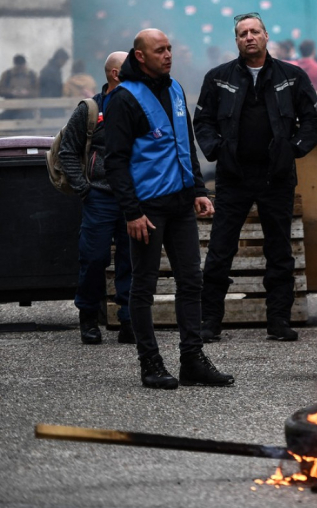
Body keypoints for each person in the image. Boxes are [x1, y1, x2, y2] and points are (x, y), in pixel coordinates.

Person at [105, 28, 233, 390]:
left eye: (170, 48)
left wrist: (197, 189)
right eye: (159, 50)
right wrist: (131, 212)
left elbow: (185, 145)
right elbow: (115, 162)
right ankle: (150, 362)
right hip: (147, 209)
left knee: (191, 282)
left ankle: (192, 359)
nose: (168, 55)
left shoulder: (175, 89)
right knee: (143, 286)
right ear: (140, 56)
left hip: (179, 205)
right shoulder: (124, 99)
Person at [193, 13, 317, 343]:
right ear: (235, 41)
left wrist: (293, 149)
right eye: (242, 34)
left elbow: (314, 119)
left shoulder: (292, 77)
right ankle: (209, 321)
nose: (249, 37)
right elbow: (203, 122)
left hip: (276, 177)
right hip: (233, 178)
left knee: (279, 250)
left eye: (254, 31)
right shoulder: (218, 78)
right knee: (220, 250)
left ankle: (278, 320)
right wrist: (219, 150)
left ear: (266, 36)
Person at [58, 52, 133, 346]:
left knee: (132, 260)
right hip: (99, 197)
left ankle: (128, 320)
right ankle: (88, 317)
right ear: (115, 73)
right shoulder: (89, 109)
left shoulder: (139, 105)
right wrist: (84, 188)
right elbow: (67, 151)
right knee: (94, 258)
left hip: (133, 199)